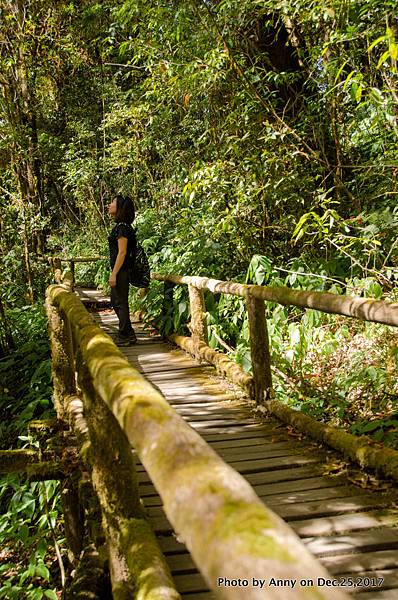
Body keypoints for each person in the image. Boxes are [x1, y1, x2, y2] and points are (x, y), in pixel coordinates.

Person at [108, 195, 137, 346]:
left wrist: (114, 273)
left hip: (121, 270)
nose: (109, 204)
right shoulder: (122, 227)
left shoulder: (122, 228)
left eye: (112, 202)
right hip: (121, 270)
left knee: (120, 302)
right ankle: (128, 332)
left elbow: (122, 252)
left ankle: (124, 334)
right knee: (116, 301)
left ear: (119, 208)